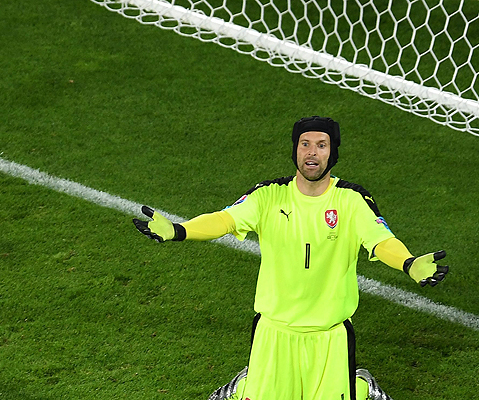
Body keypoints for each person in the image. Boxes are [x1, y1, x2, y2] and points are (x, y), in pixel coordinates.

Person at [133, 116, 449, 400]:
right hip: (274, 332)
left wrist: (408, 262)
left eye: (321, 145)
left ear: (333, 152)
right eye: (305, 144)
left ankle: (361, 387)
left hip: (329, 336)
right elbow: (225, 219)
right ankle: (245, 386)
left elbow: (381, 241)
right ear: (295, 150)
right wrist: (180, 230)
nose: (312, 152)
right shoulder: (269, 195)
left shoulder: (351, 200)